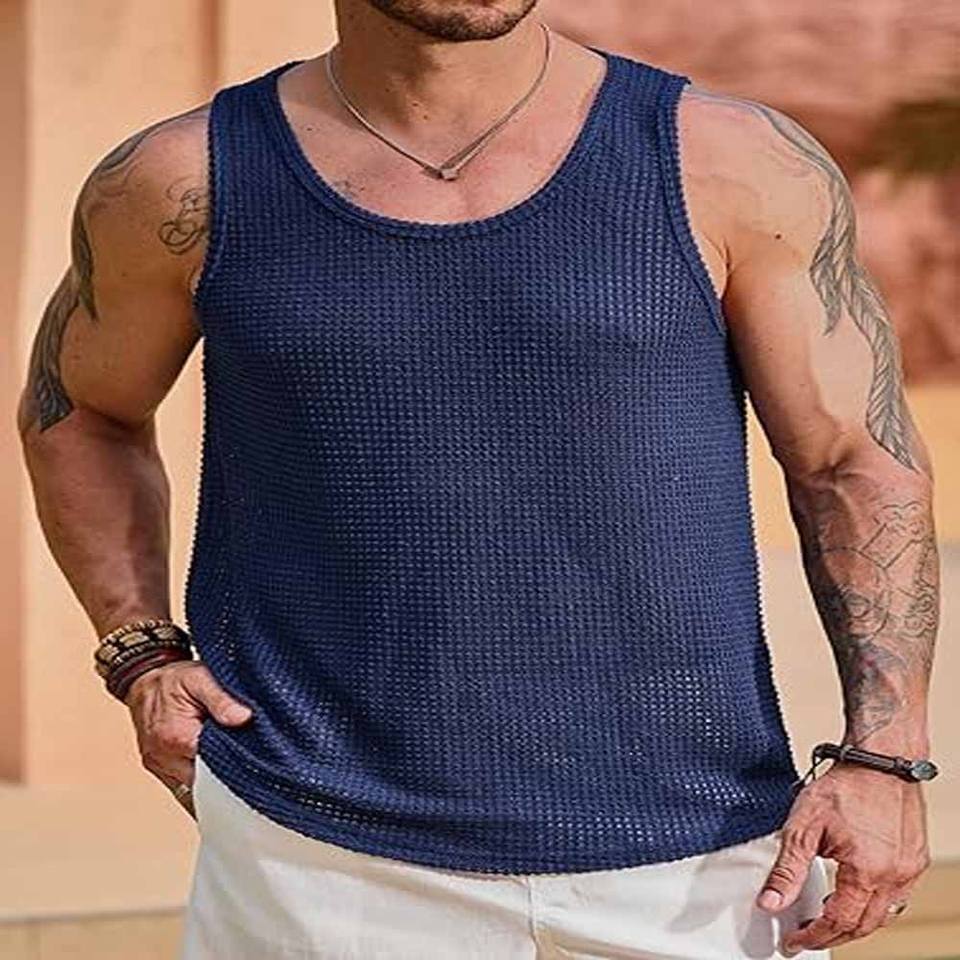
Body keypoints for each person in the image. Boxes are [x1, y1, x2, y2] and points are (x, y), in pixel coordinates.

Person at [16, 1, 939, 958]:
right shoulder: (184, 180)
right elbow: (78, 411)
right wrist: (140, 651)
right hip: (317, 856)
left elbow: (853, 459)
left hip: (702, 860)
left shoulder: (732, 161)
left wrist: (885, 757)